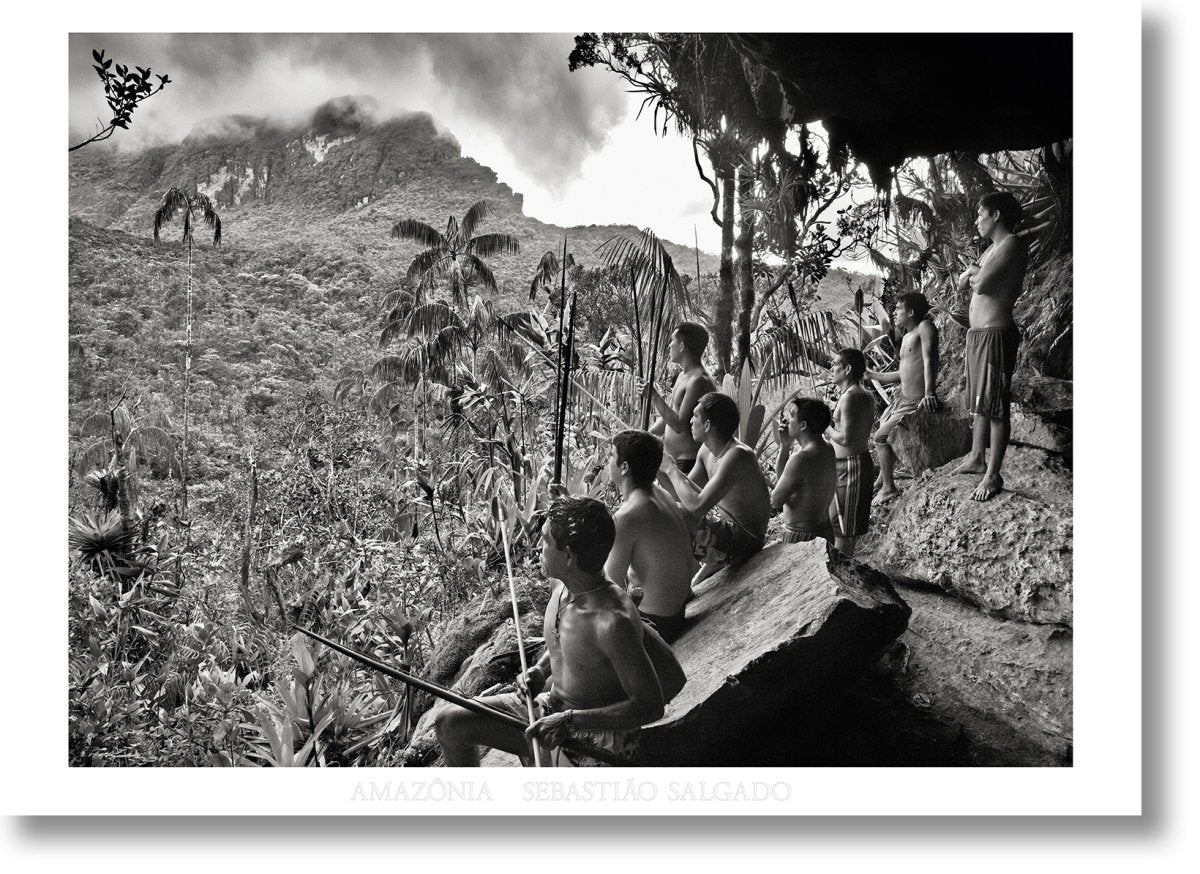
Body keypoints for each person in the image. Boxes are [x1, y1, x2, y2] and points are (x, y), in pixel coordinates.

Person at [435, 496, 681, 767]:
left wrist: (570, 720)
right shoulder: (560, 585)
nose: (537, 548)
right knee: (450, 722)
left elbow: (649, 705)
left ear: (568, 556)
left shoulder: (612, 622)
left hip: (594, 739)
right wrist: (540, 670)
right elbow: (563, 640)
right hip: (551, 708)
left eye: (544, 541)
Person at [951, 192, 1030, 501]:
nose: (976, 220)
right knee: (981, 401)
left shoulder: (1011, 245)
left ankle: (993, 474)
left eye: (980, 214)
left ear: (996, 215)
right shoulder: (991, 250)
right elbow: (962, 282)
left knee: (995, 406)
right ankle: (975, 456)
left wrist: (974, 273)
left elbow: (981, 284)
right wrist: (973, 272)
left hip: (996, 333)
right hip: (979, 335)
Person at [662, 391, 771, 586]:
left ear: (708, 425)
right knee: (668, 505)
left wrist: (670, 469)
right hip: (726, 535)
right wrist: (656, 468)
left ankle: (676, 584)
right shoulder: (706, 451)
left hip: (745, 542)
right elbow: (682, 493)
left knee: (676, 512)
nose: (690, 421)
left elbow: (697, 507)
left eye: (695, 416)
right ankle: (685, 580)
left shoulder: (737, 456)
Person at [604, 430, 697, 643]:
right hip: (677, 612)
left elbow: (611, 589)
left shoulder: (627, 516)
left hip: (657, 624)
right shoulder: (661, 495)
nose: (608, 461)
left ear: (624, 467)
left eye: (611, 456)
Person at [865, 292, 940, 502]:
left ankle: (889, 487)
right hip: (902, 399)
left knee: (880, 437)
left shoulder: (925, 327)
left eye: (898, 308)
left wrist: (929, 393)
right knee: (882, 423)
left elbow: (929, 360)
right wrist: (872, 375)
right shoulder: (906, 336)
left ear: (911, 311)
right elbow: (903, 373)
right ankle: (882, 479)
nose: (894, 312)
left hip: (917, 401)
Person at [639, 322, 717, 475]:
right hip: (672, 460)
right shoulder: (683, 375)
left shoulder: (698, 380)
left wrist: (654, 396)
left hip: (688, 463)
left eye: (672, 341)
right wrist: (644, 435)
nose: (669, 346)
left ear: (682, 346)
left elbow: (679, 425)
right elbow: (669, 416)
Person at [825, 348, 876, 557]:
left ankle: (841, 576)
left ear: (847, 369)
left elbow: (846, 438)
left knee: (844, 529)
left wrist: (825, 427)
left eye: (836, 364)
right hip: (847, 465)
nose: (832, 368)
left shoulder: (851, 396)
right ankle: (840, 571)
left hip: (851, 466)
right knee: (839, 524)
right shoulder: (859, 393)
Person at [771, 397, 837, 543]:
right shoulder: (827, 447)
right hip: (825, 531)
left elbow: (776, 500)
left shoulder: (801, 458)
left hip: (802, 536)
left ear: (803, 425)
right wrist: (785, 447)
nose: (787, 421)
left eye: (791, 416)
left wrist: (784, 448)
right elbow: (787, 481)